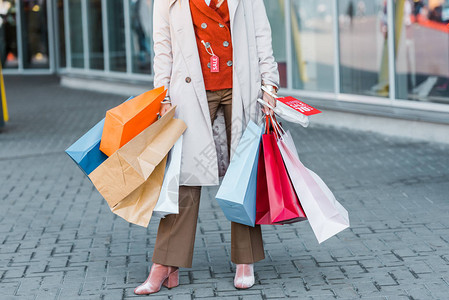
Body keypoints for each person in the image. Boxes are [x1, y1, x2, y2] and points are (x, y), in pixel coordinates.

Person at [134, 0, 279, 294]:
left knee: (243, 175)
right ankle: (165, 264)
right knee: (184, 176)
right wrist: (161, 95)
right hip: (190, 91)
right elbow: (162, 47)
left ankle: (245, 259)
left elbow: (262, 35)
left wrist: (270, 86)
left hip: (243, 86)